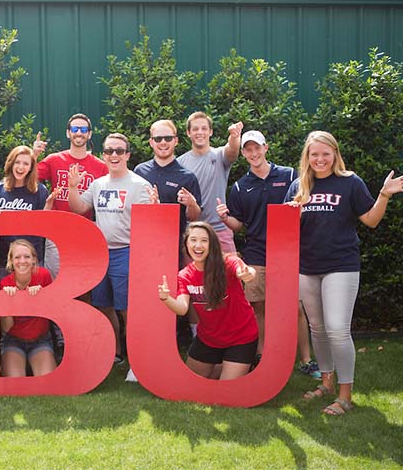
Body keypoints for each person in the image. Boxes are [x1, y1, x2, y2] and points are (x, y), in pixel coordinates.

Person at [286, 130, 403, 415]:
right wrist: (291, 212)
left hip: (341, 266)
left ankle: (345, 394)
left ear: (335, 154)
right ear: (307, 157)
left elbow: (371, 220)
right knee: (317, 329)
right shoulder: (298, 185)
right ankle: (327, 383)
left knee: (338, 330)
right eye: (314, 154)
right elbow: (287, 230)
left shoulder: (350, 183)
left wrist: (383, 194)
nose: (320, 159)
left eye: (325, 154)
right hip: (307, 268)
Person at [215, 130, 320, 378]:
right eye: (248, 149)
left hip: (288, 251)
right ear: (243, 153)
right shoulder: (240, 186)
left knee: (295, 308)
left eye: (257, 148)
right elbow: (239, 225)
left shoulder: (291, 175)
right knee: (258, 306)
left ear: (266, 148)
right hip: (256, 253)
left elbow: (307, 202)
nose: (253, 153)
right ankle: (261, 355)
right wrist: (225, 218)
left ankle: (306, 360)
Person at [67, 133, 158, 368]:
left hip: (127, 252)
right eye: (109, 151)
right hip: (100, 254)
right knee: (103, 305)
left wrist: (156, 207)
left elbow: (152, 223)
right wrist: (73, 188)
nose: (114, 155)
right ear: (103, 155)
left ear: (128, 155)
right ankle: (116, 352)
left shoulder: (140, 185)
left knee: (127, 309)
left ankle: (137, 359)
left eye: (119, 151)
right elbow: (78, 209)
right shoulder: (98, 184)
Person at [157, 221, 259, 380]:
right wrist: (167, 299)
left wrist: (248, 274)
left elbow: (244, 270)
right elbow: (183, 308)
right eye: (193, 240)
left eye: (204, 240)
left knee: (227, 391)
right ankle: (223, 364)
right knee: (189, 384)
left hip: (241, 336)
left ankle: (242, 364)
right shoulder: (185, 275)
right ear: (187, 244)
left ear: (212, 244)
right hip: (209, 338)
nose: (198, 245)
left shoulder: (227, 262)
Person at [32, 113, 108, 279]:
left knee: (84, 281)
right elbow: (26, 177)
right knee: (55, 279)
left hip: (86, 231)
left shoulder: (101, 167)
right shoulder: (54, 160)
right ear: (68, 133)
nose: (79, 132)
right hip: (57, 230)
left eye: (83, 129)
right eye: (75, 129)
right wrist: (34, 155)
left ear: (89, 134)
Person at [134, 119, 202, 267]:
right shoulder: (139, 172)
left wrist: (191, 203)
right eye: (158, 139)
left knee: (171, 288)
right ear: (151, 142)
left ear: (176, 141)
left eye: (168, 138)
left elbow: (194, 216)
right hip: (143, 245)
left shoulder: (187, 176)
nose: (163, 142)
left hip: (175, 247)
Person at [176, 112, 242, 254]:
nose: (200, 132)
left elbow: (233, 151)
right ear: (188, 133)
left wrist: (234, 136)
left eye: (204, 128)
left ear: (210, 132)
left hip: (219, 231)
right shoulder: (180, 163)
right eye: (195, 129)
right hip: (192, 233)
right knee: (192, 276)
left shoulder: (219, 156)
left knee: (228, 275)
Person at [0, 145, 55, 277]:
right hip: (3, 260)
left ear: (31, 168)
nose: (21, 167)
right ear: (10, 163)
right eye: (17, 162)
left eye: (26, 163)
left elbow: (42, 227)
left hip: (31, 259)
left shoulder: (40, 191)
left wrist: (47, 207)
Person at [0, 239, 57, 377]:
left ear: (34, 260)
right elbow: (6, 328)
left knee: (48, 383)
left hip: (40, 340)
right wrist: (8, 303)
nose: (22, 261)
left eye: (27, 256)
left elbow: (53, 313)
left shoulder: (43, 276)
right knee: (15, 383)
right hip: (14, 340)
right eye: (17, 257)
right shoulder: (5, 284)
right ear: (11, 261)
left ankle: (36, 361)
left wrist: (41, 296)